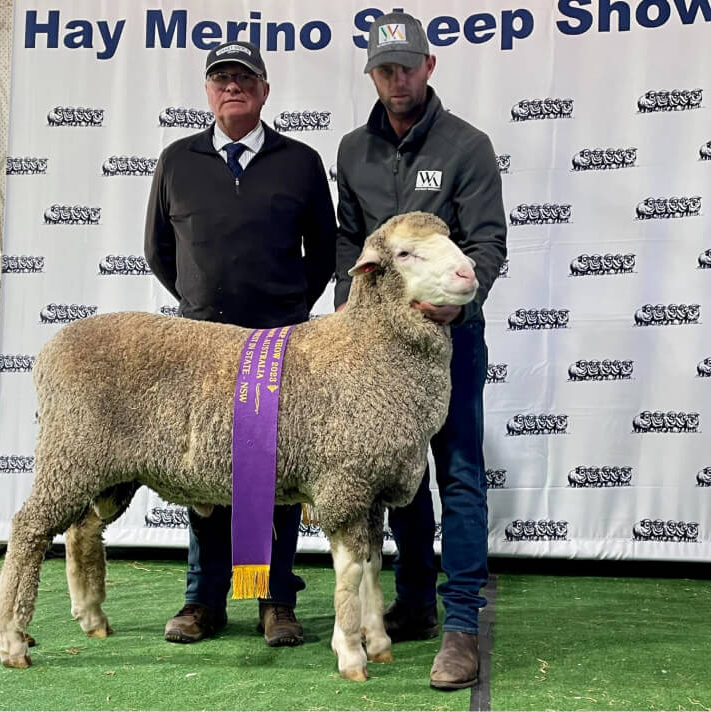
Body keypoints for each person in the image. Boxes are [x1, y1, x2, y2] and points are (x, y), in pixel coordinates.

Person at [333, 12, 507, 690]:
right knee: (400, 476)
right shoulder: (352, 150)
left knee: (460, 471)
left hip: (453, 341)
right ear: (371, 73)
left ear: (429, 68)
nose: (396, 77)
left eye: (407, 66)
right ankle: (412, 603)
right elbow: (350, 240)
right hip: (380, 353)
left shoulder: (467, 146)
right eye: (384, 68)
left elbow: (487, 246)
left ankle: (461, 623)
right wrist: (348, 305)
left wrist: (454, 304)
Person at [145, 40, 336, 648]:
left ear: (264, 90)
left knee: (277, 472)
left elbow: (325, 255)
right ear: (207, 91)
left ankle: (275, 600)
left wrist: (287, 312)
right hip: (201, 346)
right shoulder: (177, 159)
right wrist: (202, 307)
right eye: (221, 78)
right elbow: (158, 251)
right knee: (204, 471)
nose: (233, 87)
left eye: (244, 78)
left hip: (279, 347)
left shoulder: (301, 162)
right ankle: (204, 600)